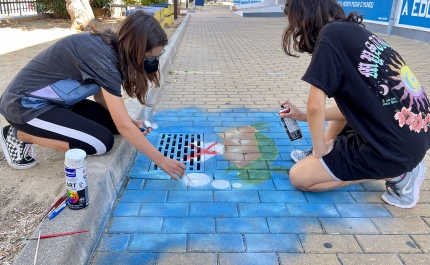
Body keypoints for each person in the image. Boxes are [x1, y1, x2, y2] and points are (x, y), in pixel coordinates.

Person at [0, 11, 186, 180]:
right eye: (149, 58)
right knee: (100, 143)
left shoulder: (113, 47)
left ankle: (36, 131)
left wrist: (129, 121)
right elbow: (124, 128)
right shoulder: (103, 60)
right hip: (25, 106)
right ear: (135, 50)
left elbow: (100, 97)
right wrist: (161, 160)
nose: (152, 63)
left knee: (113, 125)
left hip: (58, 102)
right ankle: (21, 135)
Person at [279, 0, 430, 208]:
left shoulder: (329, 36)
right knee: (344, 96)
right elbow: (350, 103)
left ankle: (401, 175)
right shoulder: (353, 32)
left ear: (304, 17)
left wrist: (319, 150)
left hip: (394, 147)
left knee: (300, 177)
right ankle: (332, 153)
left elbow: (315, 106)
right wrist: (301, 116)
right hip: (412, 135)